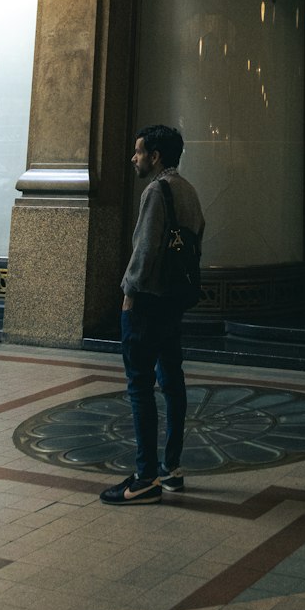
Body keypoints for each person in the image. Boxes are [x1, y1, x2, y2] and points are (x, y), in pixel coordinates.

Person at [100, 124, 205, 505]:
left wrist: (128, 295)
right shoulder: (189, 191)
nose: (134, 158)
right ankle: (171, 469)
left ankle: (144, 478)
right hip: (174, 303)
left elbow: (144, 252)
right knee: (172, 381)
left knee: (140, 387)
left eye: (139, 151)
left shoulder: (156, 192)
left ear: (156, 156)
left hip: (147, 303)